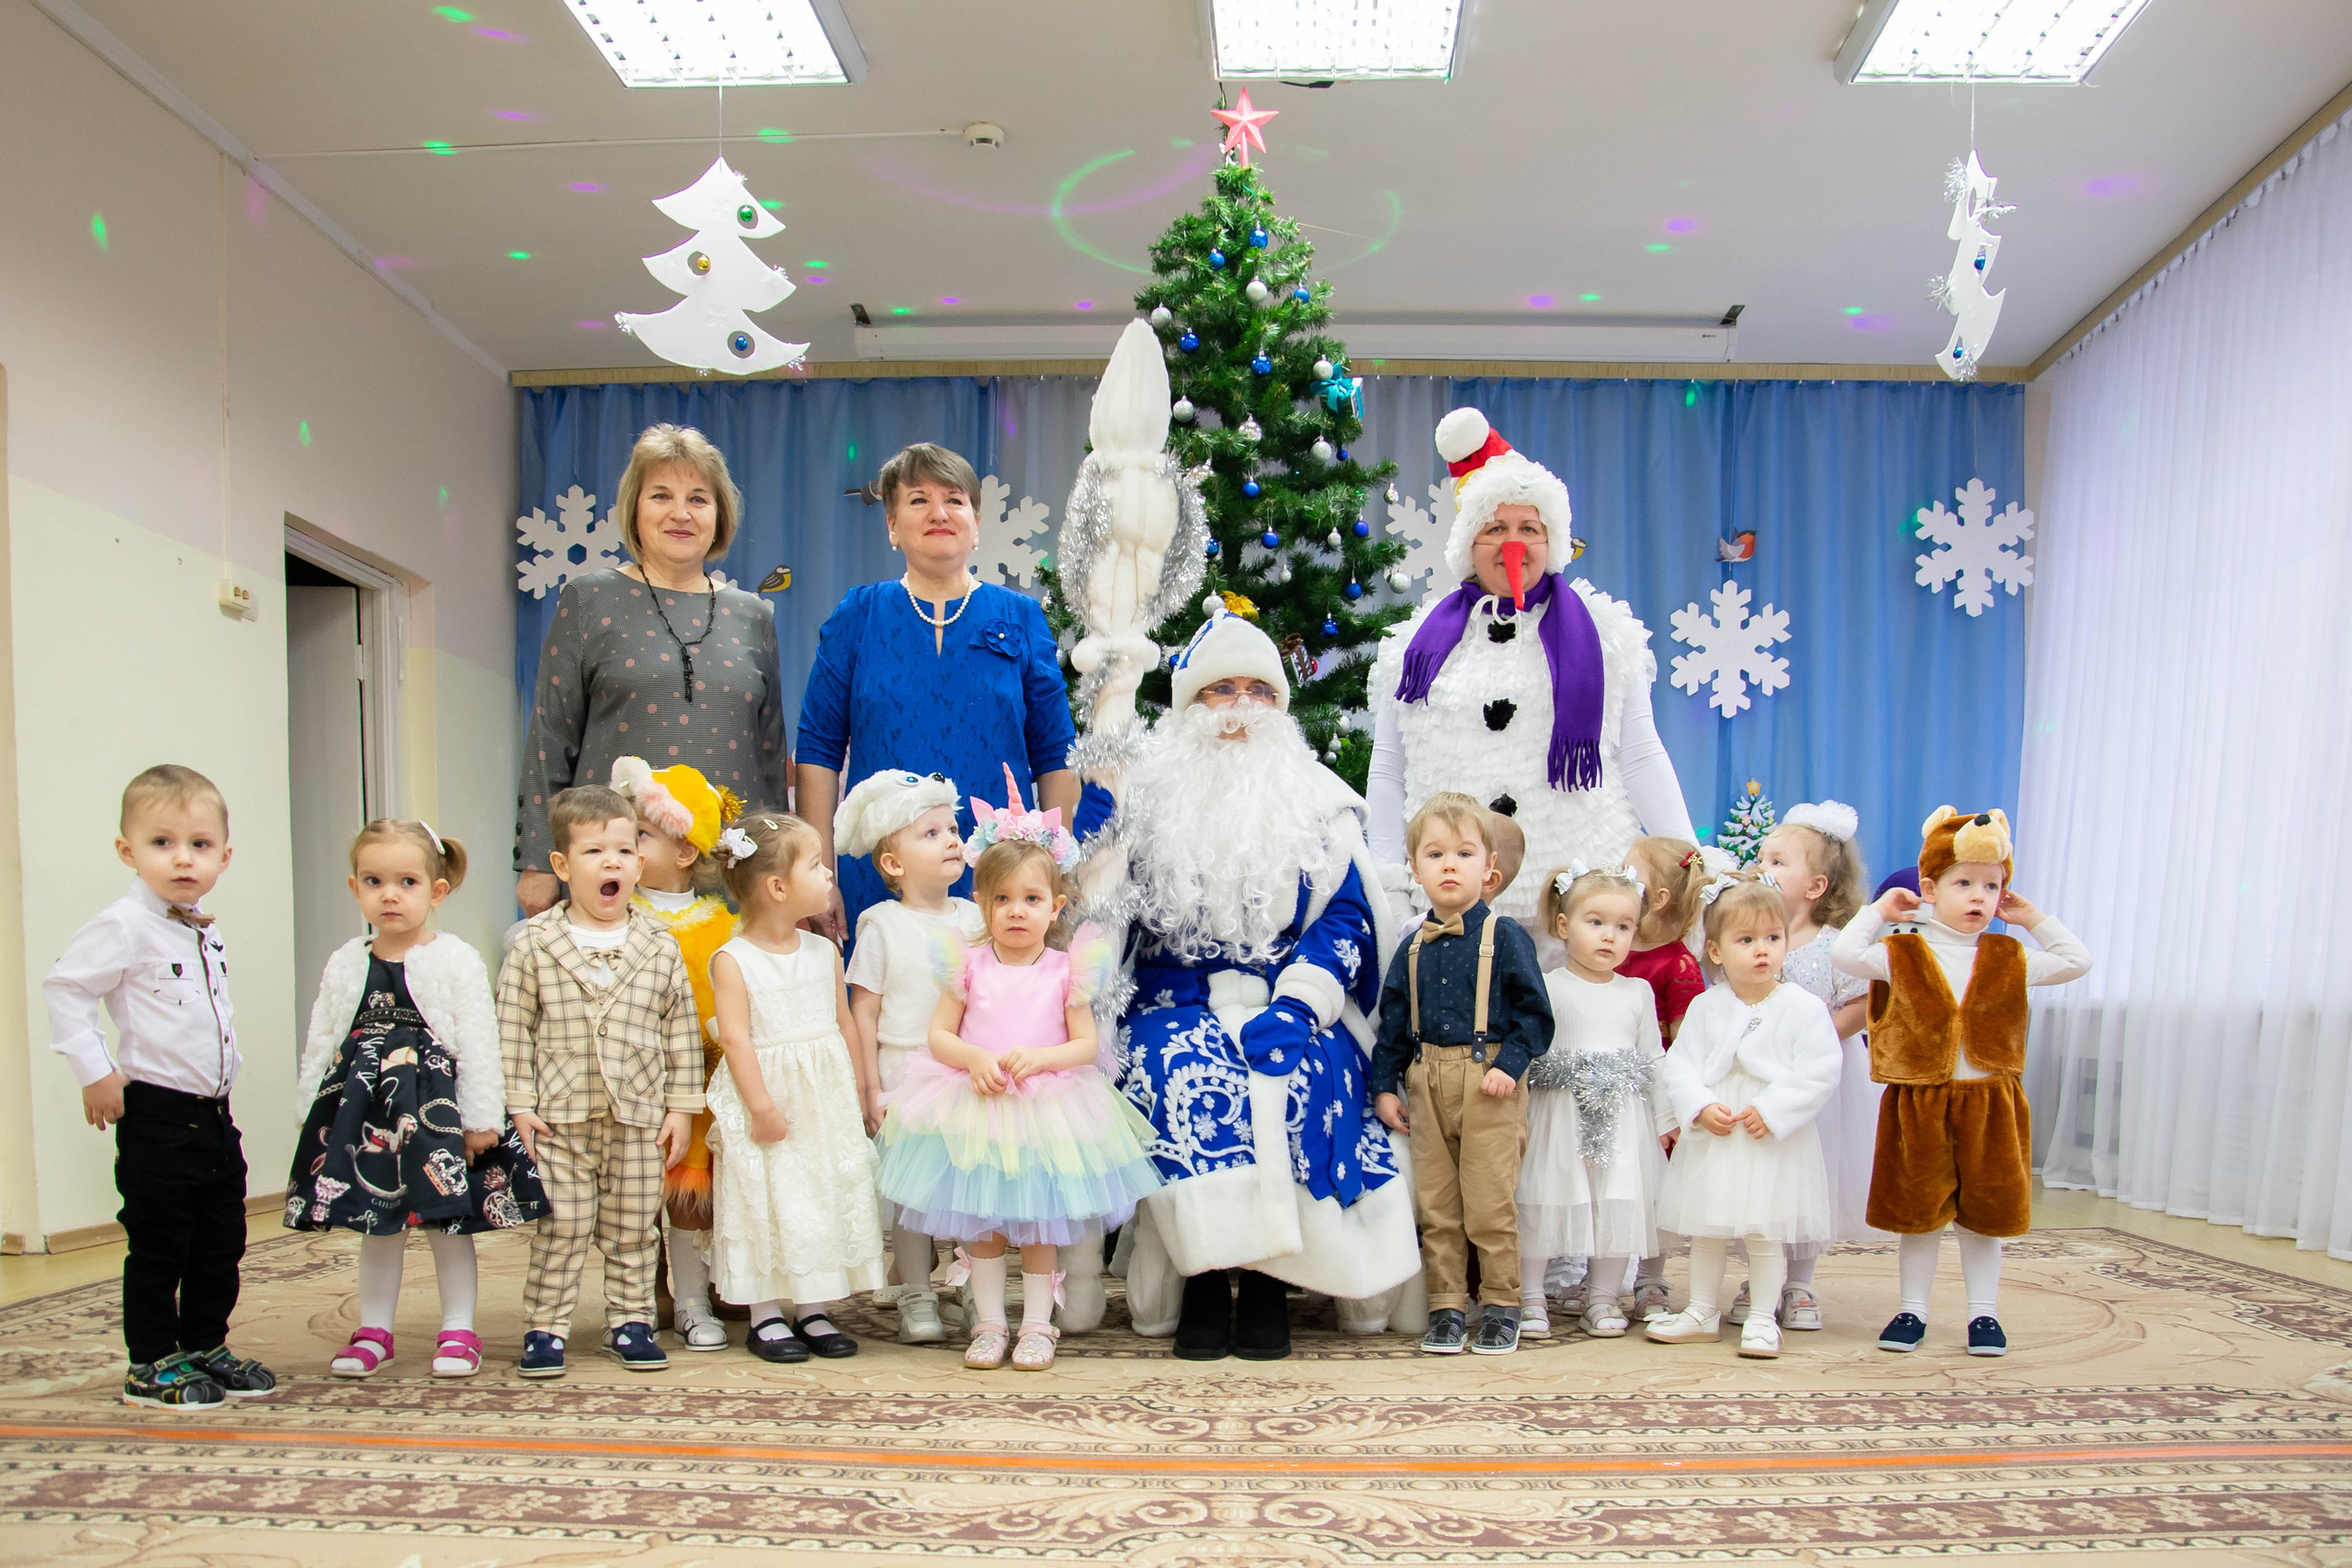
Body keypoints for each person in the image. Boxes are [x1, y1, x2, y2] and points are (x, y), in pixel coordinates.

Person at [1099, 609, 1420, 1361]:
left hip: (1295, 998)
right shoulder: (1143, 803)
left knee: (1306, 1071)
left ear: (1280, 706)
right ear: (1188, 706)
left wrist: (1302, 1002)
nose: (1240, 706)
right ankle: (1209, 1276)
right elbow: (1110, 926)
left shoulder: (1321, 804)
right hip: (1171, 1000)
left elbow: (1348, 923)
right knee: (1187, 1070)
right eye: (1220, 689)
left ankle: (1271, 1280)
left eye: (1257, 690)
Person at [1368, 408, 1695, 953]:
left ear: (1553, 542)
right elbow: (1388, 766)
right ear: (1469, 543)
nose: (1512, 543)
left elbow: (1640, 755)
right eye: (1495, 528)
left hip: (1579, 908)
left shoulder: (1607, 634)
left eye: (1529, 529)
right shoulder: (1412, 644)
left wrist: (1689, 864)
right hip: (1453, 908)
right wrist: (1386, 874)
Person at [876, 818, 1159, 1373]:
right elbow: (939, 1036)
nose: (1016, 911)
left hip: (1045, 1113)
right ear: (980, 904)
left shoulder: (1064, 971)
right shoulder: (967, 965)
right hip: (976, 1109)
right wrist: (976, 1059)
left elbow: (1085, 1045)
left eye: (1031, 899)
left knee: (1037, 1228)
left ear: (1055, 907)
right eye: (1002, 898)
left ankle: (1035, 1325)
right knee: (983, 1227)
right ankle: (988, 1324)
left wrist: (1041, 1059)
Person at [45, 765, 276, 1410]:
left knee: (220, 1238)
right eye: (162, 842)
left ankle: (204, 1342)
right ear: (128, 850)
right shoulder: (123, 924)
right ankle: (150, 1359)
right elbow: (67, 988)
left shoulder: (203, 925)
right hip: (158, 1114)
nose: (183, 858)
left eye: (200, 845)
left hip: (213, 1114)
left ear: (223, 856)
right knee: (160, 1241)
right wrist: (95, 1071)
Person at [288, 820, 548, 1379]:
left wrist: (480, 1118)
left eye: (406, 882)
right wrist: (312, 1110)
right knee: (376, 1221)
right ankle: (374, 1329)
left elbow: (480, 1041)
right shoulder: (346, 961)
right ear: (354, 888)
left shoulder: (456, 959)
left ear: (435, 891)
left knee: (444, 1223)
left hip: (435, 1114)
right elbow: (323, 1036)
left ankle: (458, 1329)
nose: (389, 894)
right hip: (367, 1116)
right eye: (373, 881)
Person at [1834, 807, 2092, 1358]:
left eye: (1993, 886)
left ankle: (1984, 1315)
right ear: (1930, 889)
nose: (1980, 896)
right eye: (1964, 883)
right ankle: (1913, 1310)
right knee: (1919, 1216)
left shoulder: (2011, 954)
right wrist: (1878, 910)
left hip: (1990, 1103)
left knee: (1983, 1218)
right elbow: (1845, 955)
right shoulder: (1900, 953)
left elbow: (2076, 960)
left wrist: (2032, 917)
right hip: (1919, 1102)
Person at [797, 443, 1077, 944]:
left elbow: (1056, 753)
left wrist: (1055, 866)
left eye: (954, 499)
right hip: (877, 871)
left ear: (975, 522)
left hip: (999, 872)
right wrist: (818, 873)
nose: (939, 513)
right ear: (891, 525)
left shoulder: (1020, 616)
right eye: (918, 500)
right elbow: (818, 751)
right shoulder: (858, 614)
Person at [516, 424, 788, 916]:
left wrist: (780, 868)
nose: (680, 513)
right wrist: (537, 863)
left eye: (698, 499)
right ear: (635, 509)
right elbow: (548, 744)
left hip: (733, 876)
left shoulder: (755, 616)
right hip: (616, 873)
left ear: (718, 515)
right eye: (662, 495)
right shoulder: (588, 599)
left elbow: (769, 762)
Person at [498, 784, 704, 1378]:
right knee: (561, 1225)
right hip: (560, 1116)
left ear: (641, 862)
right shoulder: (535, 946)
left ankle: (631, 1320)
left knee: (635, 1225)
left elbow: (681, 1033)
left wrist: (682, 1107)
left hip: (638, 1117)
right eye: (594, 852)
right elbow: (512, 1027)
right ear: (562, 866)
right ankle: (546, 1326)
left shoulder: (658, 947)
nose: (612, 861)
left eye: (625, 847)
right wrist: (518, 1103)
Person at [1372, 793, 1555, 1358]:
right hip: (1427, 1084)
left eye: (1464, 853)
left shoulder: (1507, 938)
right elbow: (1394, 1027)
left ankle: (1502, 1305)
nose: (1449, 864)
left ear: (1488, 869)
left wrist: (1511, 1064)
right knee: (1437, 1206)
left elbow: (1536, 1015)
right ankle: (1446, 1307)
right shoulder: (1410, 949)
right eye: (1435, 854)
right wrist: (1384, 1086)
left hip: (1489, 1080)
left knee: (1489, 1203)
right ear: (1415, 869)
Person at [705, 813, 888, 1364]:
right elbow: (736, 1040)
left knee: (818, 1196)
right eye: (815, 864)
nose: (828, 872)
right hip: (769, 1098)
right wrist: (760, 1107)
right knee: (768, 1197)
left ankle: (812, 1307)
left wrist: (858, 1092)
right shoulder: (733, 960)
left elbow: (844, 1023)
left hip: (824, 1098)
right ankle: (765, 1315)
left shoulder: (823, 952)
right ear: (777, 887)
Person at [1647, 874, 1842, 1359]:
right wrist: (1697, 1105)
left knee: (1763, 1229)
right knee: (1707, 1226)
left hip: (1769, 1138)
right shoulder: (1706, 1007)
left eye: (1773, 938)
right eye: (1747, 940)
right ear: (1715, 950)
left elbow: (1820, 1070)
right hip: (1718, 1131)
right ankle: (1700, 1311)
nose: (1763, 950)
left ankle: (1760, 1317)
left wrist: (1774, 1111)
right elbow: (1682, 1064)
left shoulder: (1803, 1007)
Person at [838, 769, 987, 1346]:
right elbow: (865, 1013)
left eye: (953, 829)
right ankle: (916, 1294)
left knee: (971, 1184)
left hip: (967, 1071)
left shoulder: (976, 919)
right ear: (893, 864)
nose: (952, 840)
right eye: (931, 834)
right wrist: (869, 1087)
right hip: (904, 1073)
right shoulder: (881, 925)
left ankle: (977, 1284)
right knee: (908, 1192)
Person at [1724, 802, 1874, 1336]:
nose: (1762, 865)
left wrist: (1814, 1041)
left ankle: (1801, 1278)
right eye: (1761, 855)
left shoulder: (1834, 947)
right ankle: (1761, 1274)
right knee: (1759, 1176)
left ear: (1815, 886)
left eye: (1779, 861)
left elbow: (1861, 1003)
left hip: (1818, 1087)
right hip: (1757, 1081)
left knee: (1814, 1174)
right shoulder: (1748, 940)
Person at [609, 756, 742, 1352]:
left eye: (642, 835)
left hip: (702, 1083)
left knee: (693, 1198)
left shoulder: (721, 927)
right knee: (632, 1200)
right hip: (632, 1080)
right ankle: (642, 1297)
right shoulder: (616, 921)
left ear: (685, 851)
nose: (626, 846)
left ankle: (694, 1296)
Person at [1516, 864, 1675, 1340]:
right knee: (1544, 1199)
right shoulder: (1547, 985)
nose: (1610, 936)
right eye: (1596, 922)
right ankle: (1530, 1297)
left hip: (1624, 1120)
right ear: (1564, 926)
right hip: (1557, 1114)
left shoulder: (1638, 992)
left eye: (1623, 926)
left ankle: (1603, 1297)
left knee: (1618, 1202)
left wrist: (1667, 1117)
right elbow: (1527, 1050)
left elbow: (1653, 1057)